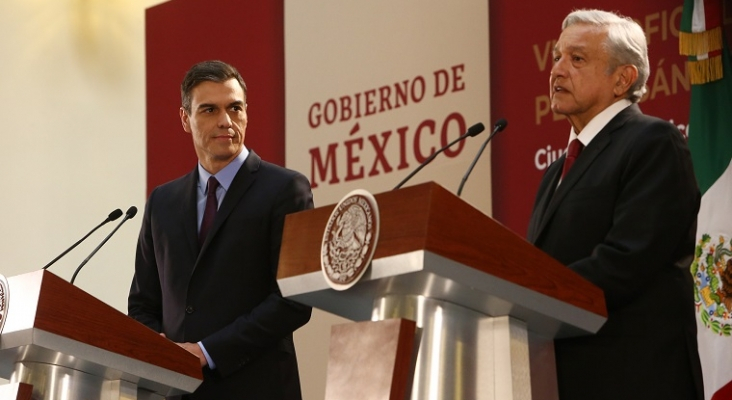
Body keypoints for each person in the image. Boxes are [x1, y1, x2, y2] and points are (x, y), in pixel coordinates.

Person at [526, 9, 704, 400]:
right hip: (564, 380)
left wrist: (529, 299)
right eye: (556, 57)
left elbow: (626, 259)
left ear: (622, 79)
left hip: (633, 379)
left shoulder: (653, 143)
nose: (556, 70)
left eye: (577, 59)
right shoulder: (556, 171)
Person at [128, 60, 313, 399]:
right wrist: (164, 354)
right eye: (209, 109)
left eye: (234, 108)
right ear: (185, 119)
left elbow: (294, 300)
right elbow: (142, 304)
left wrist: (206, 352)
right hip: (175, 391)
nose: (225, 121)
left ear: (246, 113)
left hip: (257, 387)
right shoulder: (162, 202)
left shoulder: (286, 189)